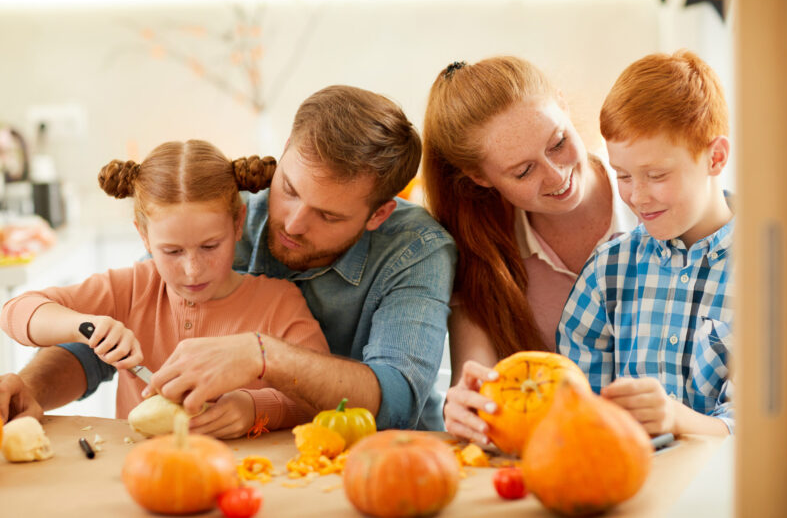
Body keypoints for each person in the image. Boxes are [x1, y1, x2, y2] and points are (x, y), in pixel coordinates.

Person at [2, 85, 457, 431]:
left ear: (378, 213)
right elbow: (104, 346)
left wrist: (263, 359)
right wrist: (31, 390)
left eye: (327, 214)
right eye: (290, 190)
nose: (294, 223)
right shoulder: (222, 215)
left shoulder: (416, 250)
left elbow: (397, 401)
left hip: (379, 459)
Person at [0, 140, 330, 438]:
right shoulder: (132, 288)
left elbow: (321, 397)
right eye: (172, 251)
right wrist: (86, 326)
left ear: (238, 222)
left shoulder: (279, 303)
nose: (192, 270)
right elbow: (16, 311)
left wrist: (255, 408)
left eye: (210, 246)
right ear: (143, 236)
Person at [422, 56, 637, 444]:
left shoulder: (657, 201)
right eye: (523, 171)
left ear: (563, 104)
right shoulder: (483, 255)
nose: (556, 175)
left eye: (558, 143)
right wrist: (464, 406)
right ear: (480, 178)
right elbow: (475, 379)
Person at [558, 50, 734, 436]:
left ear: (715, 158)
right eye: (622, 175)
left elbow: (765, 432)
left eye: (656, 174)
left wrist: (676, 419)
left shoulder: (773, 266)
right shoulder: (608, 270)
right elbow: (578, 414)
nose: (637, 197)